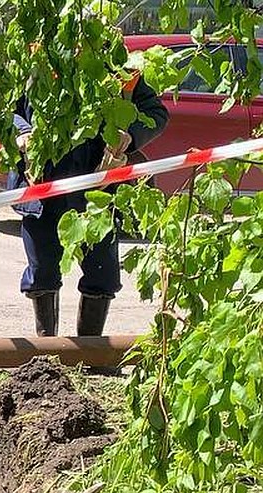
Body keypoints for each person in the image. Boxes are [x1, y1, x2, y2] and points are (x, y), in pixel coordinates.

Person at [14, 71, 169, 336]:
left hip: (98, 193)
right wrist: (23, 132)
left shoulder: (117, 66)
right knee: (42, 272)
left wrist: (129, 136)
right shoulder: (35, 58)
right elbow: (5, 109)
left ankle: (91, 353)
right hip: (43, 190)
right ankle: (47, 354)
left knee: (103, 275)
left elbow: (155, 113)